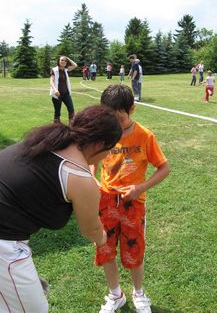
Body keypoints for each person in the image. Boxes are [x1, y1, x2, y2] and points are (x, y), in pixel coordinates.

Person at [0, 105, 122, 313]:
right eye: (110, 149)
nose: (107, 155)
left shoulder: (47, 141)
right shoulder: (81, 177)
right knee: (35, 309)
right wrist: (103, 238)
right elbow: (91, 230)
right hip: (5, 243)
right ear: (100, 144)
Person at [93, 85, 170, 313]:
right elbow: (92, 159)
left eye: (119, 118)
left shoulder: (145, 136)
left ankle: (138, 293)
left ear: (132, 109)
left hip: (133, 205)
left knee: (134, 252)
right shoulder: (103, 133)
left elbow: (164, 168)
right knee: (105, 248)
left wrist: (141, 187)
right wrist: (91, 177)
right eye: (109, 117)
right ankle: (116, 294)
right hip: (106, 202)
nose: (114, 124)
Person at [50, 56, 78, 124]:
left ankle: (71, 126)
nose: (64, 62)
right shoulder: (54, 70)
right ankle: (56, 127)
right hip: (57, 94)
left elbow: (75, 65)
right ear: (59, 61)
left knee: (71, 110)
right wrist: (55, 90)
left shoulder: (66, 69)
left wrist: (67, 58)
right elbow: (51, 81)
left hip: (66, 94)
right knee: (57, 112)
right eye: (62, 60)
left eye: (65, 61)